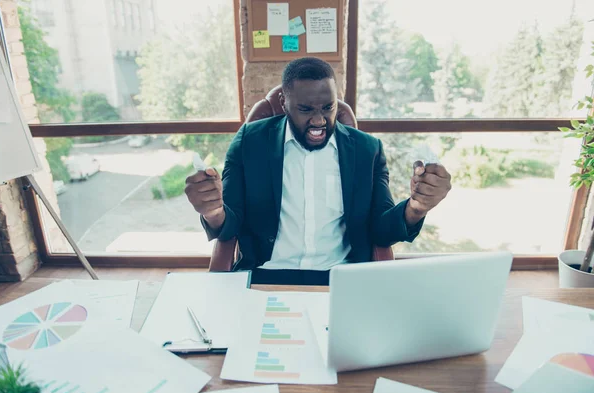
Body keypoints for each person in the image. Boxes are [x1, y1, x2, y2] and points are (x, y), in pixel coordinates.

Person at [185, 57, 451, 285]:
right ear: (284, 101)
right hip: (266, 275)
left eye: (328, 108)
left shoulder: (367, 150)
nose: (318, 121)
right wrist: (212, 211)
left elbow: (381, 230)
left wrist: (416, 207)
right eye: (305, 110)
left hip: (341, 279)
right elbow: (230, 222)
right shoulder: (250, 142)